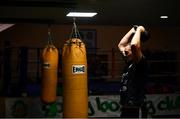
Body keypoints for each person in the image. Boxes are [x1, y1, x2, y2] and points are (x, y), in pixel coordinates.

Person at [118, 26, 150, 118]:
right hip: (126, 107)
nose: (124, 52)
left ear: (134, 52)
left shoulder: (140, 63)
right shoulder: (129, 63)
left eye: (127, 52)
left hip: (136, 108)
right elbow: (120, 45)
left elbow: (134, 45)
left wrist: (139, 29)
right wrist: (132, 30)